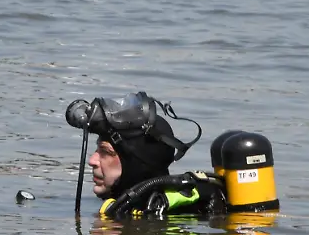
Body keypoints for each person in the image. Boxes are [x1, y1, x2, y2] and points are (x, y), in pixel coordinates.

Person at [65, 91, 227, 219]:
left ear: (135, 163)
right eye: (97, 150)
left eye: (106, 152)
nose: (92, 161)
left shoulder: (157, 212)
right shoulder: (125, 208)